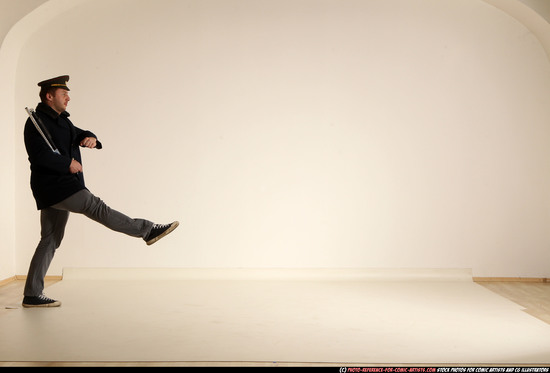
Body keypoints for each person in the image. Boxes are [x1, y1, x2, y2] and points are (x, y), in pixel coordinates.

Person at [22, 75, 179, 308]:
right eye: (63, 94)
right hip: (57, 186)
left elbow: (78, 132)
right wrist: (66, 163)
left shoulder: (62, 121)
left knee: (51, 239)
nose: (68, 97)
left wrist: (90, 137)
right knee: (97, 207)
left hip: (60, 187)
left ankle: (32, 294)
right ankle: (147, 231)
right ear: (49, 96)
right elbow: (39, 156)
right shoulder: (36, 123)